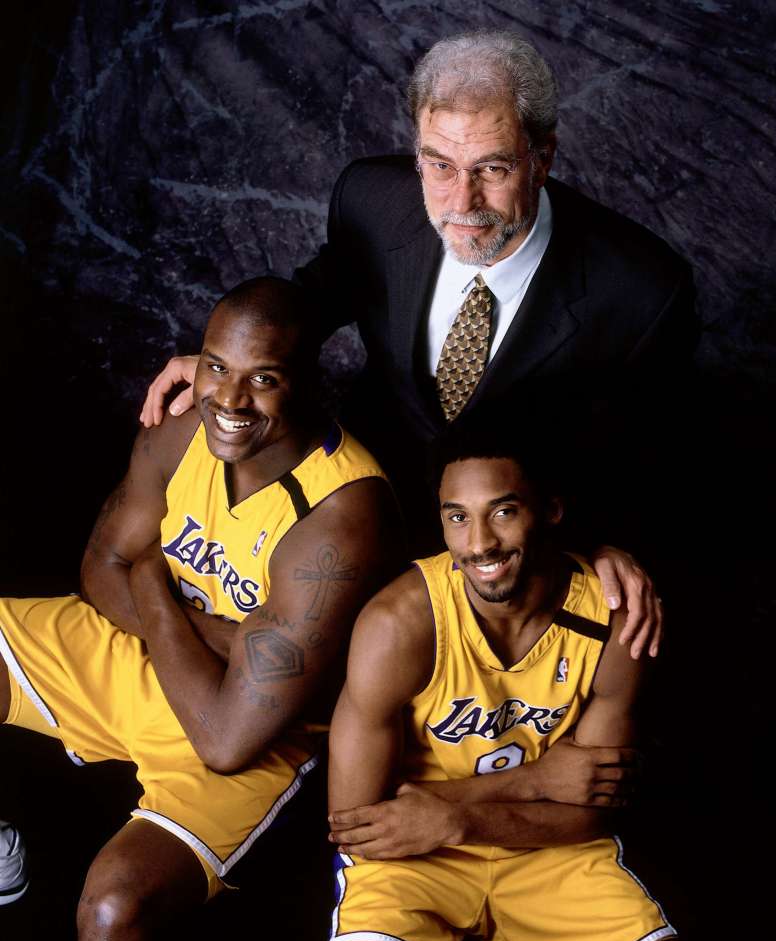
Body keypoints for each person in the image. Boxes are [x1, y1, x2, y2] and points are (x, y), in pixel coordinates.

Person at [139, 29, 693, 661]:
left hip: (509, 543)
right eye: (439, 165)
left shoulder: (644, 290)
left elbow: (649, 451)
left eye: (493, 167)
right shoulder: (373, 201)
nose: (462, 202)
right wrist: (227, 364)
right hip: (366, 494)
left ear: (543, 157)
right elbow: (317, 295)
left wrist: (611, 541)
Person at [0, 277, 402, 941]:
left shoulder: (341, 515)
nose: (231, 400)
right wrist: (229, 636)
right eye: (216, 367)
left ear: (307, 382)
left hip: (247, 729)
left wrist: (154, 579)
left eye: (263, 378)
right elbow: (99, 565)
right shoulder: (184, 432)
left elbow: (226, 738)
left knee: (110, 910)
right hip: (153, 661)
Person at [323, 424, 678, 941]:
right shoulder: (398, 624)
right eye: (457, 517)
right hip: (413, 857)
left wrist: (459, 817)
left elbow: (592, 811)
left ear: (550, 511)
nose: (480, 543)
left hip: (549, 851)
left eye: (504, 512)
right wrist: (538, 779)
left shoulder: (613, 618)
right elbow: (357, 825)